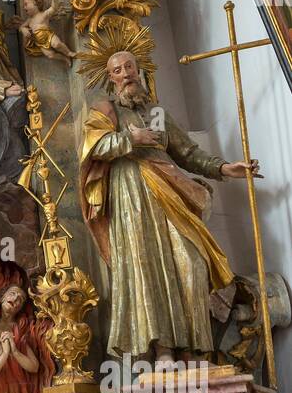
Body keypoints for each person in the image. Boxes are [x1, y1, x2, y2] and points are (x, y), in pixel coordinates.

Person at [79, 47, 256, 363]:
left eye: (130, 67)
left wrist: (223, 168)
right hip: (130, 197)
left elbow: (187, 152)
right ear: (110, 77)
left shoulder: (156, 112)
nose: (126, 74)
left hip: (170, 194)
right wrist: (130, 140)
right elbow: (94, 147)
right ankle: (162, 350)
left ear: (139, 69)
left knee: (191, 264)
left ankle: (194, 349)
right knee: (146, 267)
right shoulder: (105, 111)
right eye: (118, 70)